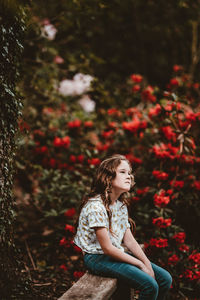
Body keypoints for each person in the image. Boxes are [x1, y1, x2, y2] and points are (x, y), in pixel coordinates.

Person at [74, 154, 172, 300]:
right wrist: (139, 264)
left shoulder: (119, 206)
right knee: (149, 285)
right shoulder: (96, 207)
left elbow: (130, 241)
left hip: (114, 254)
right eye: (122, 172)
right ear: (108, 177)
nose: (129, 176)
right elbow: (107, 248)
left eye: (129, 173)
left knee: (165, 279)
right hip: (97, 258)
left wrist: (146, 264)